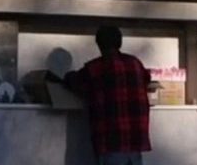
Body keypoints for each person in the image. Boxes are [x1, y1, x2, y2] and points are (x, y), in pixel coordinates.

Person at [65, 26, 152, 165]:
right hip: (135, 141)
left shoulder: (96, 68)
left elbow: (74, 82)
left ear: (99, 44)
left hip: (111, 141)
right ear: (120, 42)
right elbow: (147, 79)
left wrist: (66, 75)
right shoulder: (135, 63)